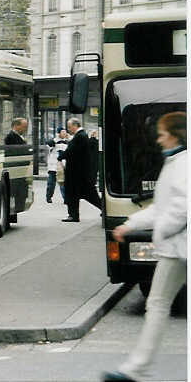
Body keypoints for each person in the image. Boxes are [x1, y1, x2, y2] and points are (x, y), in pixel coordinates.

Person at [102, 112, 187, 382]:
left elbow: (181, 208)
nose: (159, 139)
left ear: (175, 134)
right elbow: (161, 209)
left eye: (162, 133)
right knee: (158, 305)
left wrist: (162, 231)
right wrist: (130, 224)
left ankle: (136, 369)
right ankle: (136, 368)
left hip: (179, 248)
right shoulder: (174, 162)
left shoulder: (183, 164)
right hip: (177, 248)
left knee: (158, 305)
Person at [59, 117, 102, 222]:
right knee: (83, 194)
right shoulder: (80, 135)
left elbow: (71, 151)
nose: (69, 129)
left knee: (83, 194)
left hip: (77, 173)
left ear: (75, 125)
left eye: (69, 127)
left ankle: (74, 215)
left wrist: (61, 156)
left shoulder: (80, 136)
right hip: (79, 173)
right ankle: (73, 215)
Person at [45, 127, 68, 203]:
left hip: (63, 166)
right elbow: (48, 144)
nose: (64, 133)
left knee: (63, 183)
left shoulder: (67, 142)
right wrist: (56, 139)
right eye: (63, 132)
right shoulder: (53, 142)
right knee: (51, 183)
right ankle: (49, 197)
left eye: (65, 132)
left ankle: (65, 198)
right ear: (58, 133)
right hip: (53, 166)